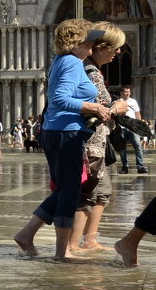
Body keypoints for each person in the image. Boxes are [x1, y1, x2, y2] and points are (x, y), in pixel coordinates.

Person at [13, 20, 122, 260]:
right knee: (70, 192)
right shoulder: (73, 62)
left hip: (58, 130)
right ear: (78, 42)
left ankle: (27, 235)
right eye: (90, 39)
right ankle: (62, 252)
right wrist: (94, 106)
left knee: (66, 189)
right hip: (66, 131)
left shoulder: (63, 60)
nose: (93, 43)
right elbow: (60, 99)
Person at [71, 23, 127, 254]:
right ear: (99, 47)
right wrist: (116, 108)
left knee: (102, 191)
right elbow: (93, 107)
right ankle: (73, 245)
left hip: (99, 142)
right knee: (87, 192)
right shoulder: (89, 72)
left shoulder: (95, 71)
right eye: (115, 47)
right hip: (89, 142)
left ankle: (89, 240)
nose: (118, 52)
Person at [118, 86, 147, 174]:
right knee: (122, 149)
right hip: (121, 127)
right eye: (126, 92)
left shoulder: (133, 101)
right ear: (121, 93)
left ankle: (140, 166)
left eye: (129, 92)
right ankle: (125, 167)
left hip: (133, 128)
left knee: (138, 147)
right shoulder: (117, 102)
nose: (128, 93)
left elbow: (137, 113)